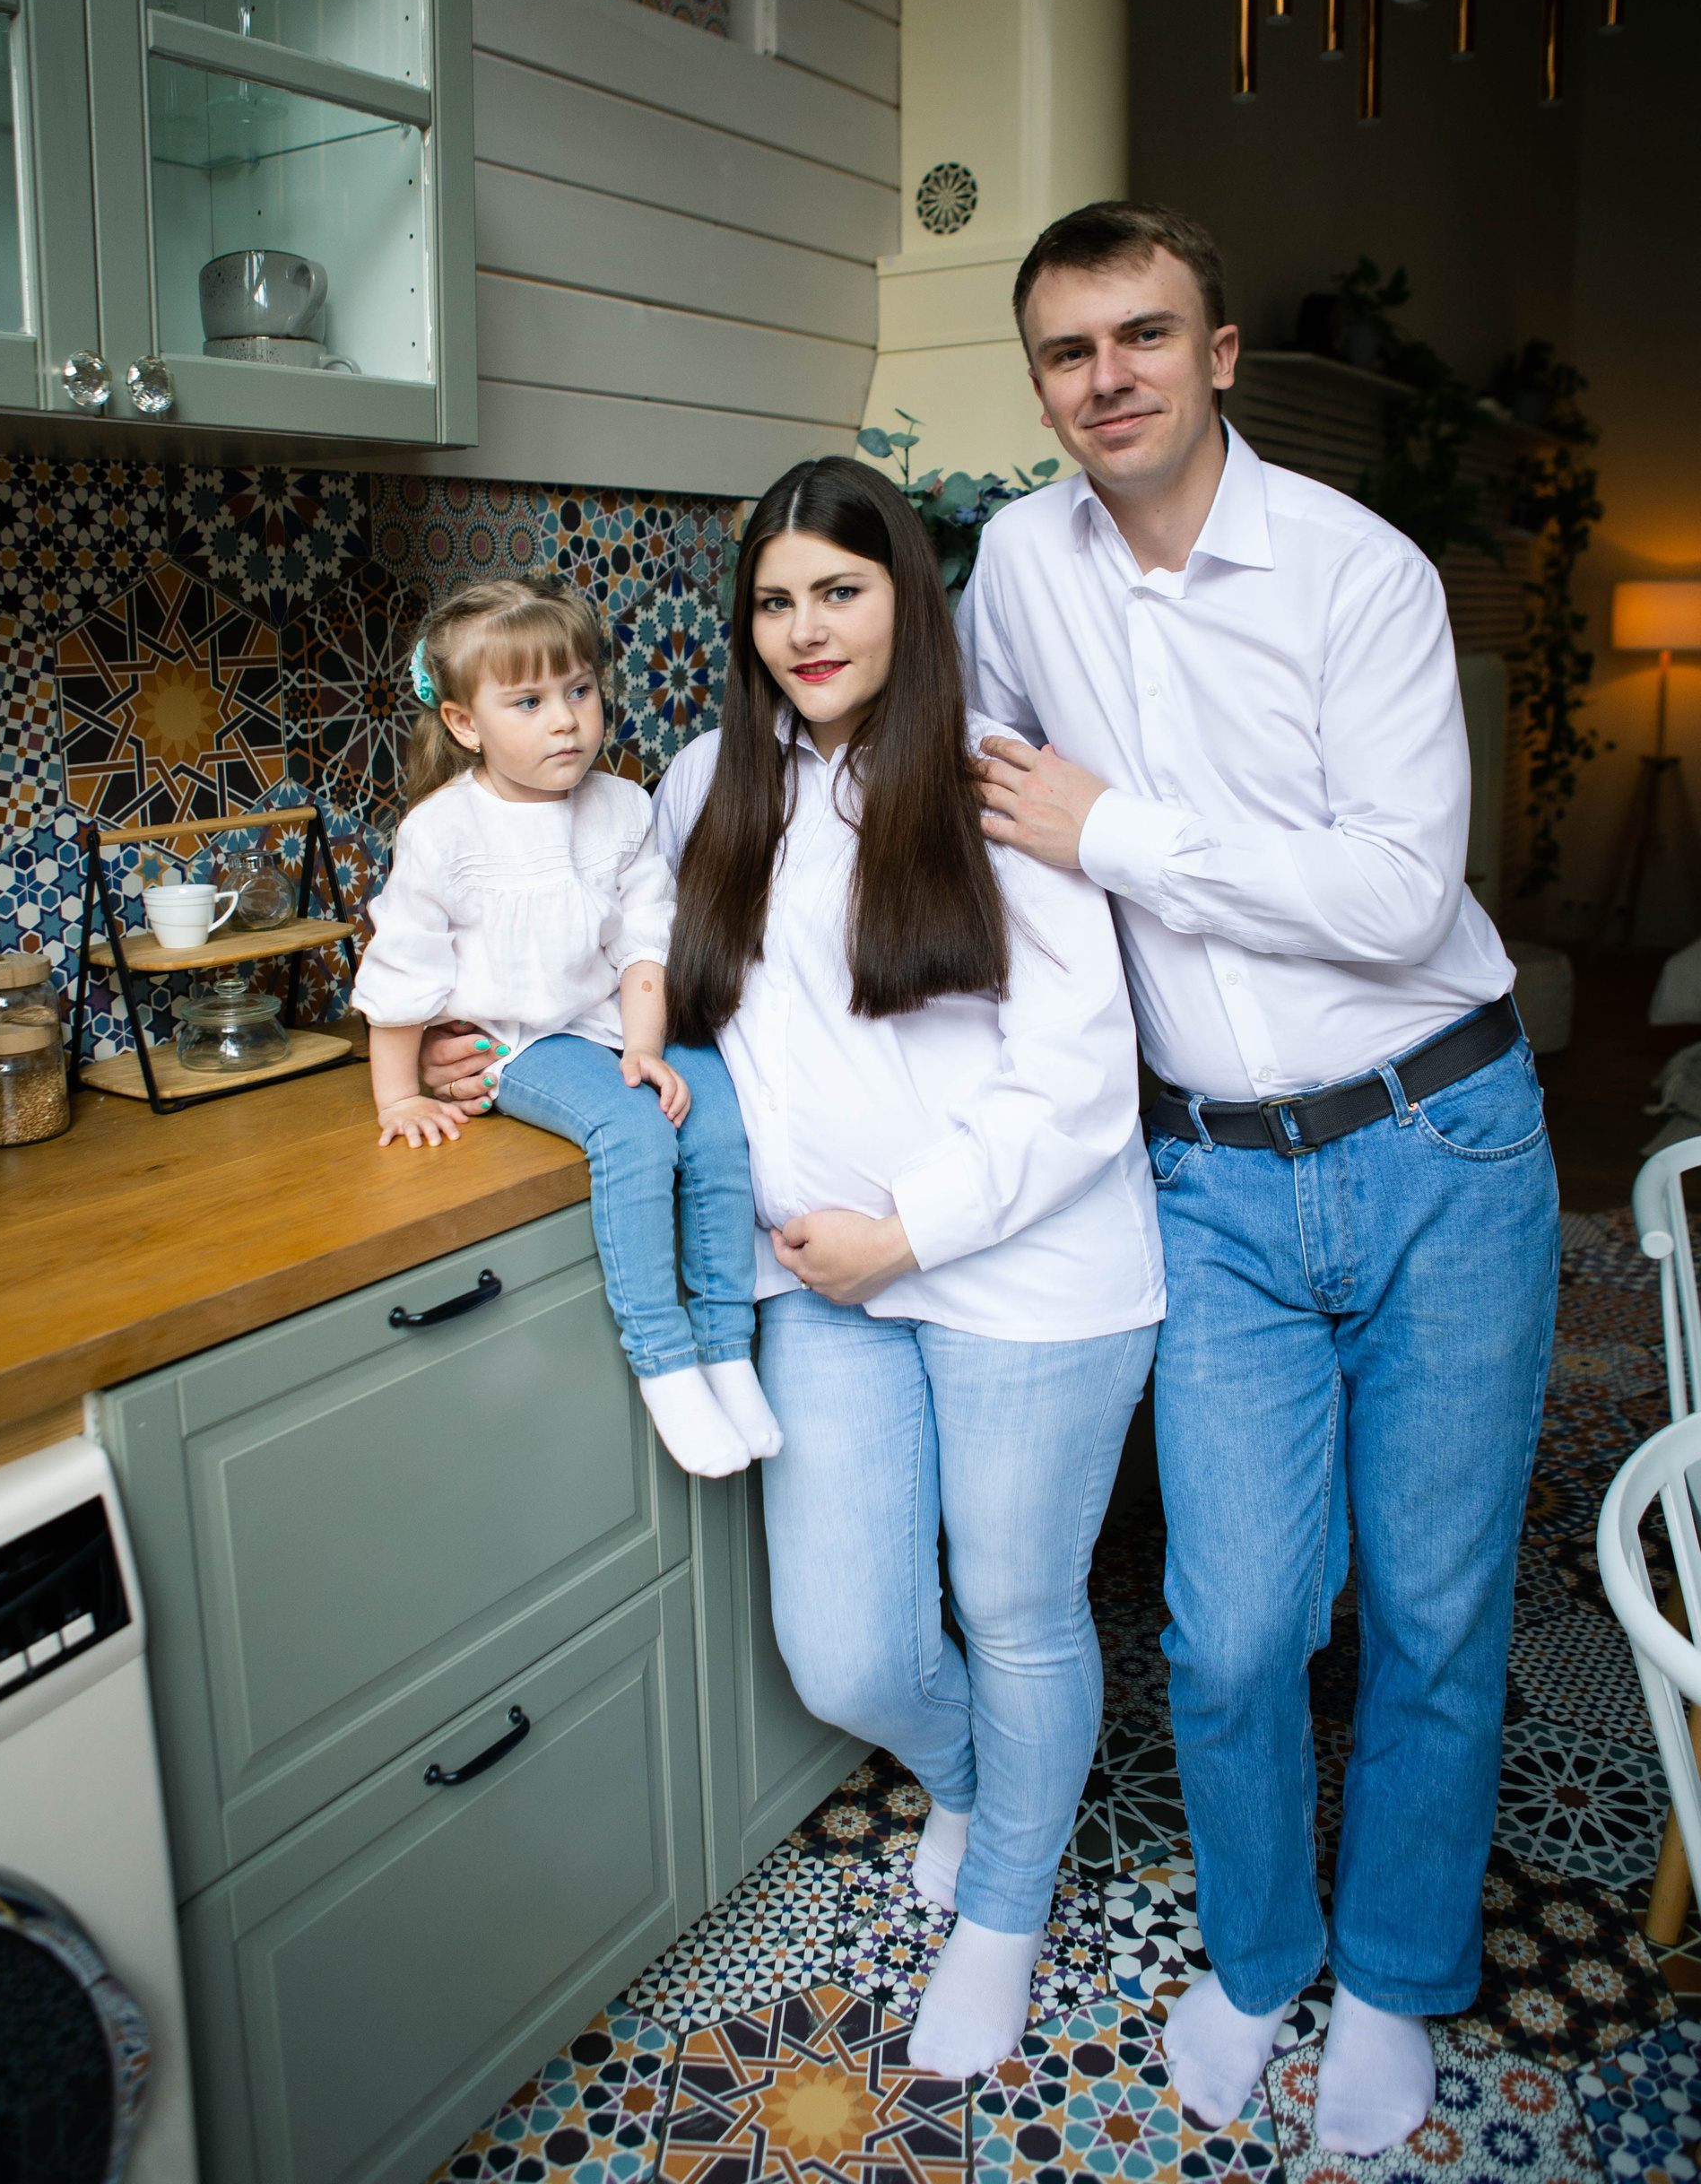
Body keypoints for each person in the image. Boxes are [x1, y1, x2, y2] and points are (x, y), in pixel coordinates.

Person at [957, 200, 1559, 2155]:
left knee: (1436, 1610)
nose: (1107, 377)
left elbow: (1397, 898)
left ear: (1218, 356)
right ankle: (1257, 1951)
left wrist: (1116, 829)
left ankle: (1393, 1974)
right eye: (1068, 351)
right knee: (1230, 1629)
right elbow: (950, 793)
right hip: (1210, 1182)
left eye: (1144, 335)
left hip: (1441, 1141)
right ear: (1040, 384)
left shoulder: (1358, 572)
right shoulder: (1015, 569)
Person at [652, 457, 1163, 2080]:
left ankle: (1008, 1904)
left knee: (1016, 1608)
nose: (805, 629)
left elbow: (1079, 1072)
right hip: (826, 1286)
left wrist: (908, 1227)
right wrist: (480, 1044)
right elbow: (634, 976)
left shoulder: (993, 779)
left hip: (1028, 1271)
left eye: (840, 591)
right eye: (775, 601)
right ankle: (980, 1782)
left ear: (907, 600)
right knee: (849, 1649)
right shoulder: (705, 785)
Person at [353, 577, 777, 1481]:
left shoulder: (623, 807)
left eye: (579, 690)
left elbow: (646, 942)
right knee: (633, 1132)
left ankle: (726, 1348)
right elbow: (403, 967)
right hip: (522, 1042)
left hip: (615, 1020)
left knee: (715, 1118)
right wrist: (397, 1095)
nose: (566, 721)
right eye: (529, 702)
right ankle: (664, 1363)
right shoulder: (443, 831)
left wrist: (648, 1047)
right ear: (464, 723)